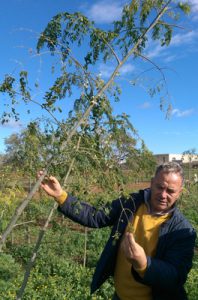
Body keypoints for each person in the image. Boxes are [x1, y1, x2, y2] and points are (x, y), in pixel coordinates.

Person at [38, 162, 196, 300]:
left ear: (179, 192)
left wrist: (144, 264)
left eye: (170, 191)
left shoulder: (182, 230)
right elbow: (97, 217)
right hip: (119, 296)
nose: (163, 194)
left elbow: (175, 276)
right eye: (159, 187)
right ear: (152, 182)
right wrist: (61, 196)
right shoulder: (131, 202)